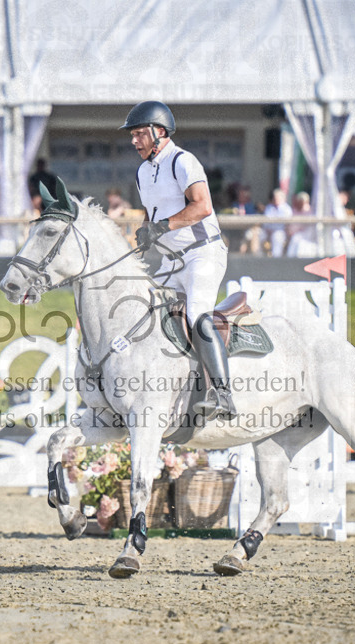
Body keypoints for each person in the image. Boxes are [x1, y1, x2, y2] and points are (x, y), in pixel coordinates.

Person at [121, 100, 234, 420]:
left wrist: (162, 227)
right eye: (132, 135)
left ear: (159, 132)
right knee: (140, 310)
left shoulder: (182, 161)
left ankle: (223, 394)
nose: (134, 141)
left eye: (140, 134)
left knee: (197, 315)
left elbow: (202, 207)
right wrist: (146, 231)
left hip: (202, 254)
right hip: (171, 261)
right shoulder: (143, 171)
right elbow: (153, 211)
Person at [261, 189, 292, 257]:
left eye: (278, 197)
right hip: (268, 230)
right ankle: (258, 256)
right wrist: (267, 228)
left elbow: (285, 224)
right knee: (259, 234)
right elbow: (265, 221)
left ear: (283, 198)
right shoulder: (269, 207)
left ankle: (276, 258)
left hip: (280, 231)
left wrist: (273, 229)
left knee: (277, 237)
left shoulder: (287, 209)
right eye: (275, 197)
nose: (276, 199)